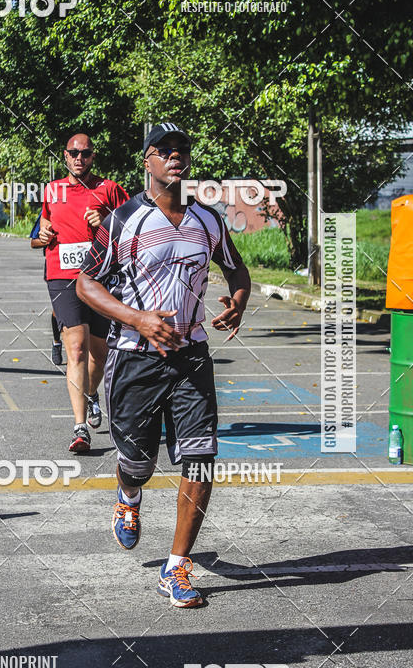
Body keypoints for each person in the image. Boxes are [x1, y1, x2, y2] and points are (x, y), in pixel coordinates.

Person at [76, 122, 251, 607]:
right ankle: (128, 496)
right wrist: (138, 319)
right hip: (134, 358)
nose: (176, 155)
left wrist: (238, 299)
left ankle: (177, 568)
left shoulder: (208, 221)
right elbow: (85, 285)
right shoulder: (124, 220)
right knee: (139, 463)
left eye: (183, 149)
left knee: (200, 456)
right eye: (165, 150)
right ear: (147, 161)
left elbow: (236, 267)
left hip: (191, 356)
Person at [40, 134, 129, 452]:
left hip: (101, 277)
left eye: (85, 153)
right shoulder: (52, 190)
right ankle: (80, 428)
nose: (79, 157)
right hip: (62, 277)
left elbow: (134, 231)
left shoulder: (111, 189)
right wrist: (43, 233)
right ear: (65, 156)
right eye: (73, 153)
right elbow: (39, 235)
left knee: (99, 353)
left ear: (93, 157)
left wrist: (107, 220)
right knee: (76, 349)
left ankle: (91, 395)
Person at [30, 210, 63, 365]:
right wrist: (47, 240)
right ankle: (56, 342)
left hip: (84, 267)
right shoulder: (50, 211)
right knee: (58, 308)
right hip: (58, 267)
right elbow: (33, 242)